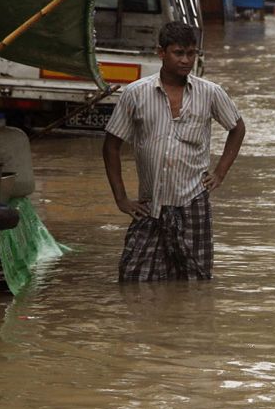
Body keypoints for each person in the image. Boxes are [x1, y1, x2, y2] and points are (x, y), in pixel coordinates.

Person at [102, 21, 246, 282]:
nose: (186, 60)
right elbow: (111, 145)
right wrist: (121, 198)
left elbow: (237, 128)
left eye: (191, 53)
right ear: (161, 53)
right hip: (149, 205)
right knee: (133, 278)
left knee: (196, 281)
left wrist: (220, 173)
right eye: (179, 53)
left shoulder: (210, 93)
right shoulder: (136, 93)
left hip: (193, 202)